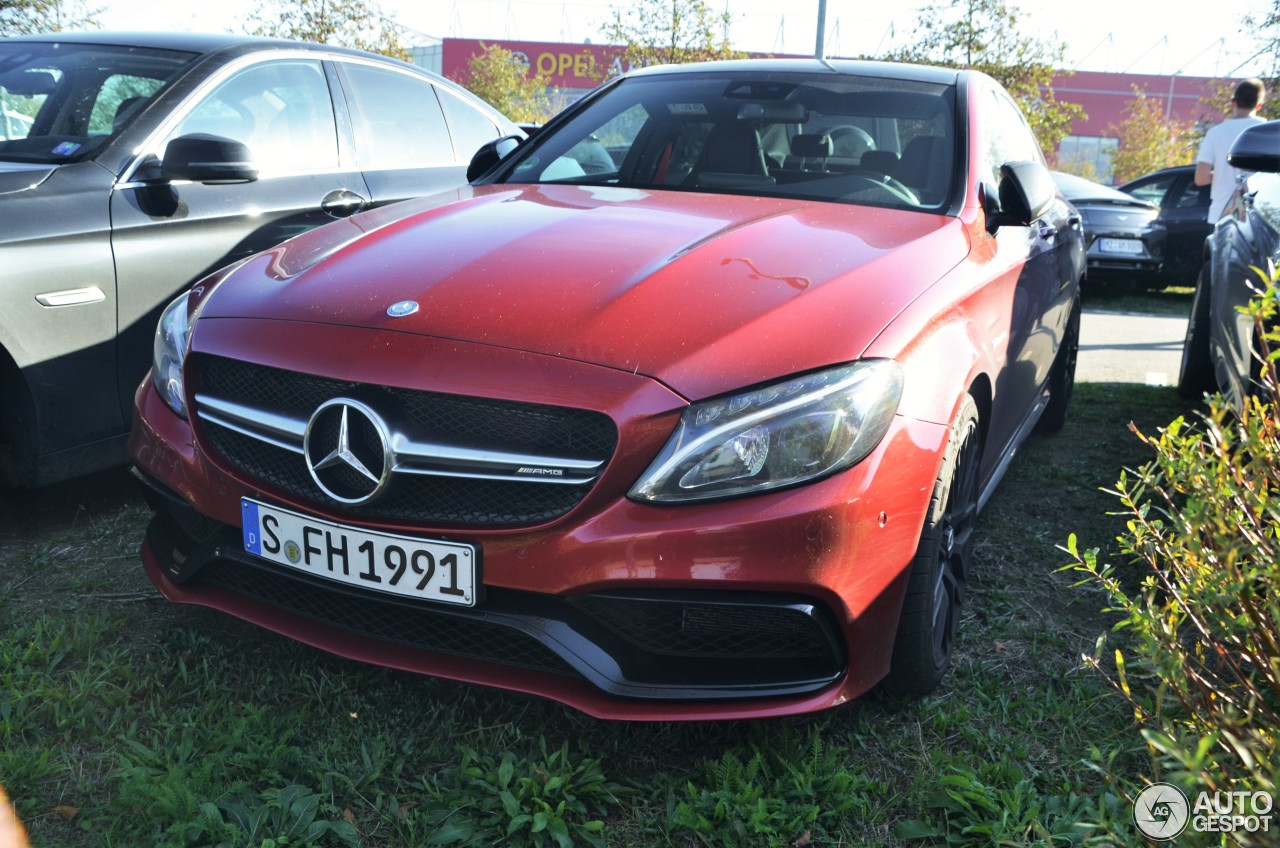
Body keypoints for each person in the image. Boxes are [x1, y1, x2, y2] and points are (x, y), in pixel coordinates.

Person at [1194, 78, 1266, 223]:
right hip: (1259, 217)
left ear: (1233, 102)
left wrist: (1221, 173)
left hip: (1220, 215)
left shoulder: (1215, 133)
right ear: (1259, 106)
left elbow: (1200, 178)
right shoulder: (1268, 131)